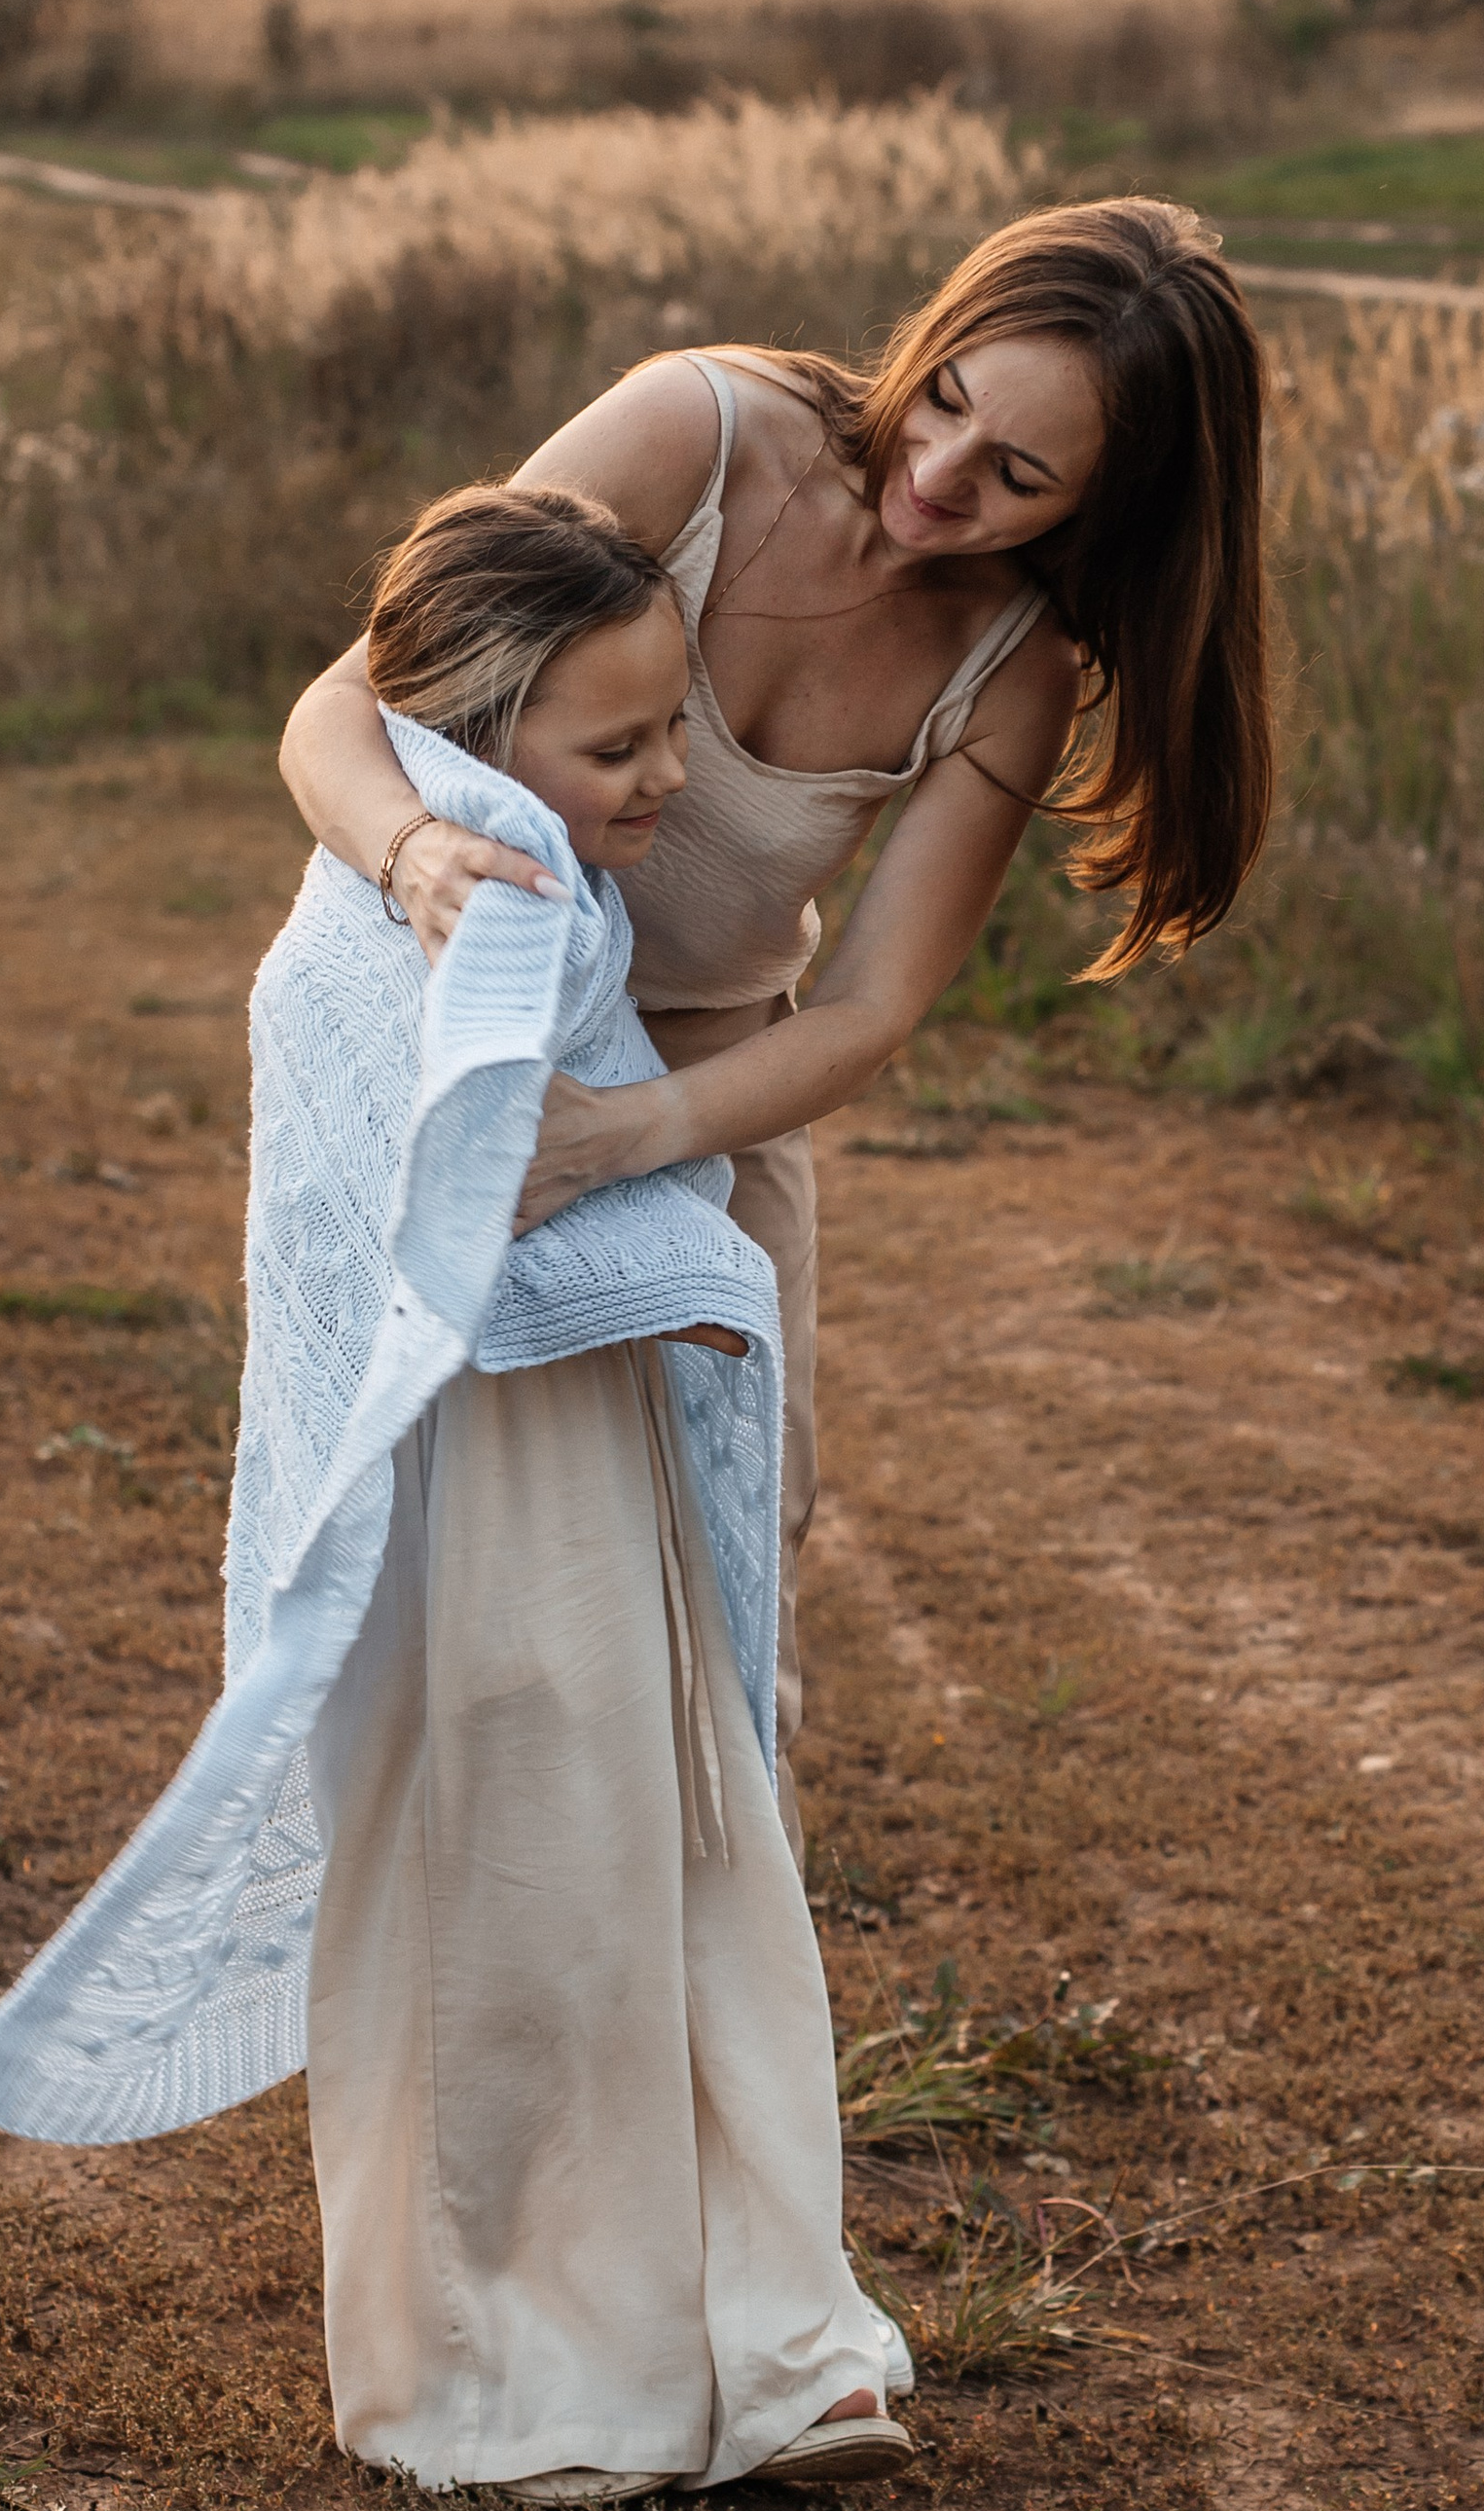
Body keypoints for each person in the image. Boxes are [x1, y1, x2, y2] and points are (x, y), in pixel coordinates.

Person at [0, 483, 911, 2498]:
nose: (665, 784)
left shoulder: (535, 874)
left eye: (670, 733)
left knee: (681, 1840)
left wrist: (669, 1242)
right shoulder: (465, 900)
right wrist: (675, 1252)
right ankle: (513, 2371)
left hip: (588, 1442)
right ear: (472, 742)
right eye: (619, 746)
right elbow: (429, 1198)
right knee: (519, 1858)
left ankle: (767, 2325)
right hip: (461, 1466)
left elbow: (566, 1159)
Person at [280, 198, 1275, 1840]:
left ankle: (704, 1991)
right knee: (428, 1518)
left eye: (1022, 475)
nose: (944, 473)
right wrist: (410, 855)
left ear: (1112, 502)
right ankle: (432, 1918)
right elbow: (346, 702)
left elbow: (876, 1007)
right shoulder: (698, 430)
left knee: (738, 1535)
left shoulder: (1015, 662)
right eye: (948, 394)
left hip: (711, 1093)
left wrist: (634, 1134)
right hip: (457, 1022)